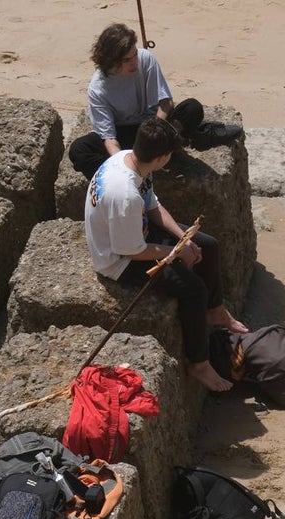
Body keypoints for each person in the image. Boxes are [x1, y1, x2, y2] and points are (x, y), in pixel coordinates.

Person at [84, 117, 247, 392]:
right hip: (118, 260)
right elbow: (131, 251)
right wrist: (176, 252)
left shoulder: (130, 159)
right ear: (161, 158)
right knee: (193, 289)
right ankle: (199, 363)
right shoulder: (125, 195)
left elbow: (153, 207)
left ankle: (216, 311)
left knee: (208, 245)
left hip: (137, 233)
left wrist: (183, 238)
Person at [68, 23, 242, 179]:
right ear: (111, 61)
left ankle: (182, 141)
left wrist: (153, 135)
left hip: (154, 125)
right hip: (125, 135)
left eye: (135, 54)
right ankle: (115, 178)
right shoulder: (98, 87)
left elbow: (165, 103)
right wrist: (124, 169)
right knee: (79, 150)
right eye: (127, 60)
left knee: (192, 108)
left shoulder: (145, 59)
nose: (134, 62)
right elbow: (110, 139)